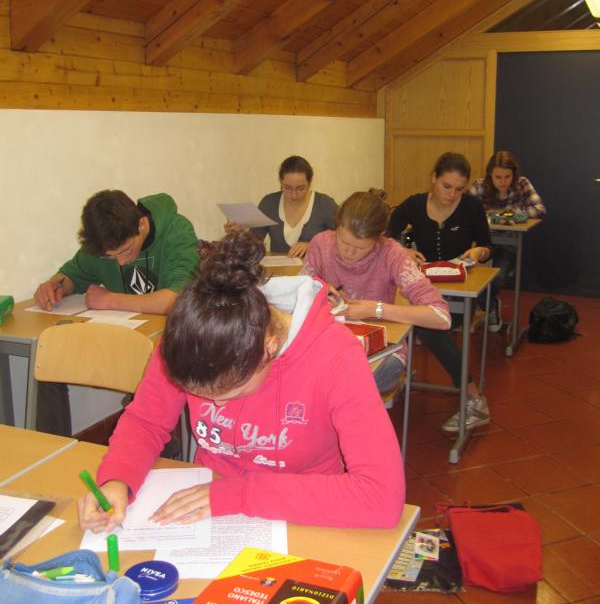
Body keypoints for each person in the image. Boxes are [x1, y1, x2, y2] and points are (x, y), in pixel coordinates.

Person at [77, 232, 404, 532]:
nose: (215, 406)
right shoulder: (190, 338)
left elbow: (381, 497)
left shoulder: (335, 355)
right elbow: (147, 420)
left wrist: (238, 495)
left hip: (304, 513)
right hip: (208, 503)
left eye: (229, 393)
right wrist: (118, 480)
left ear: (269, 349)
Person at [33, 190, 199, 435]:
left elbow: (174, 300)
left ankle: (163, 446)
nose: (121, 262)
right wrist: (55, 285)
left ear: (141, 225)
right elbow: (72, 275)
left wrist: (110, 300)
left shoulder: (176, 230)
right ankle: (51, 447)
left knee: (154, 387)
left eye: (126, 251)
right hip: (127, 334)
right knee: (49, 356)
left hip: (172, 341)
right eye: (110, 257)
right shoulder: (104, 242)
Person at [303, 191, 451, 398]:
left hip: (382, 350)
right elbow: (299, 295)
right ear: (337, 226)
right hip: (331, 343)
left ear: (379, 237)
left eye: (360, 247)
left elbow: (441, 317)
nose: (349, 253)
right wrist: (318, 290)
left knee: (342, 385)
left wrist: (376, 309)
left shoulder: (392, 254)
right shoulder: (321, 244)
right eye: (343, 242)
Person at [387, 152, 493, 433]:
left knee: (429, 328)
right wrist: (403, 250)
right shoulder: (414, 204)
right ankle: (391, 372)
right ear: (434, 178)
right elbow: (385, 236)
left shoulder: (471, 207)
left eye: (459, 189)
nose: (452, 194)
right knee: (405, 320)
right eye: (447, 186)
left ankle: (474, 399)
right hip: (420, 288)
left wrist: (479, 252)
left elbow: (487, 246)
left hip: (459, 291)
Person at [470, 150, 546, 330]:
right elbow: (463, 209)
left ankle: (487, 305)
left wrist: (510, 215)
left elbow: (540, 209)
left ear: (514, 174)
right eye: (498, 177)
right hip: (481, 243)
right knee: (473, 276)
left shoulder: (522, 183)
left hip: (508, 243)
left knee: (498, 276)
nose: (503, 181)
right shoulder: (480, 186)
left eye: (507, 177)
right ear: (490, 174)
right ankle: (486, 307)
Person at [225, 156, 337, 258]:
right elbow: (254, 245)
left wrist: (313, 245)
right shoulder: (269, 203)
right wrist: (238, 234)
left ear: (310, 183)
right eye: (287, 188)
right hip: (279, 270)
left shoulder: (324, 204)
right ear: (280, 181)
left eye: (301, 188)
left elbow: (342, 239)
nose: (294, 194)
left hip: (315, 272)